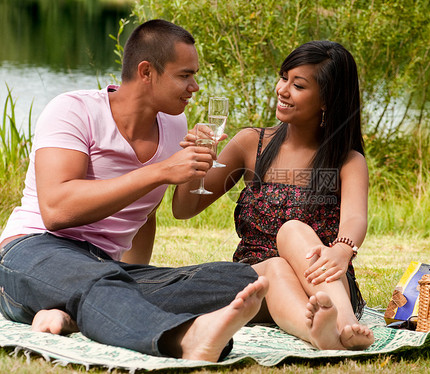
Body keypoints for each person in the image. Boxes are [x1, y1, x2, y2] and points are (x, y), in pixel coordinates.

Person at [0, 19, 270, 362]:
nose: (195, 86)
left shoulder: (174, 124)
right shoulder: (73, 110)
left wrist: (193, 169)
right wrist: (158, 172)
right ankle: (183, 337)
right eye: (185, 75)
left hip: (105, 267)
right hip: (33, 250)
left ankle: (75, 312)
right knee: (98, 280)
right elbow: (57, 210)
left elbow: (147, 216)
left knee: (236, 278)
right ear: (147, 72)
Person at [172, 40, 374, 350]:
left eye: (299, 85)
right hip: (258, 281)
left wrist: (343, 250)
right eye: (283, 77)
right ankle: (319, 332)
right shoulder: (251, 143)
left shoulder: (347, 160)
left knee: (293, 231)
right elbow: (184, 209)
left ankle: (343, 321)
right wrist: (194, 164)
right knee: (276, 268)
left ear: (326, 100)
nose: (283, 89)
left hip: (325, 285)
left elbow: (356, 216)